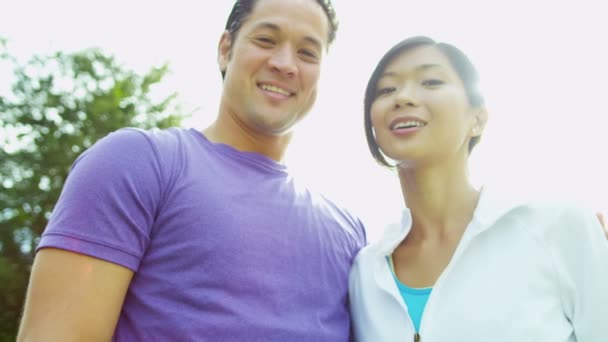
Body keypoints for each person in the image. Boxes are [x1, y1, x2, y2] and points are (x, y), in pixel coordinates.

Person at [17, 0, 366, 341]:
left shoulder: (351, 232)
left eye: (307, 53)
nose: (285, 63)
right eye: (266, 40)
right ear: (225, 49)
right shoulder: (136, 162)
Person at [348, 36, 608, 341]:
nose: (402, 98)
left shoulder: (558, 226)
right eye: (386, 89)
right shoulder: (365, 272)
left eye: (431, 82)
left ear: (478, 119)